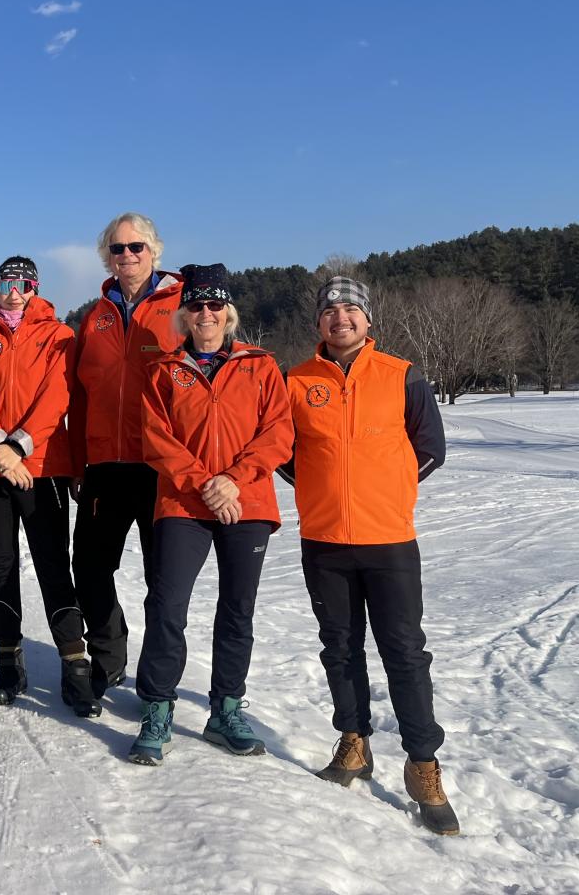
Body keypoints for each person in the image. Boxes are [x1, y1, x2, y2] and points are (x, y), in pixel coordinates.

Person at [280, 276, 457, 836]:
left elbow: (431, 448)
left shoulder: (402, 375)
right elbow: (281, 450)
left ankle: (423, 763)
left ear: (368, 320)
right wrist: (312, 491)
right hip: (325, 541)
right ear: (318, 324)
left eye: (351, 308)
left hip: (389, 541)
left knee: (405, 653)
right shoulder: (297, 380)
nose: (340, 317)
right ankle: (354, 743)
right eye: (330, 309)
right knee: (339, 647)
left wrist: (392, 493)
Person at [129, 264, 294, 764]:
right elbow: (156, 440)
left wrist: (233, 480)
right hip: (183, 501)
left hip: (248, 502)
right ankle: (158, 707)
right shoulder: (163, 370)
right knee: (167, 605)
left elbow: (279, 433)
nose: (206, 313)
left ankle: (225, 709)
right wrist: (205, 482)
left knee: (237, 609)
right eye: (197, 305)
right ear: (184, 314)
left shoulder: (260, 365)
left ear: (228, 313)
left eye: (214, 305)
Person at [0, 256, 97, 716]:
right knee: (0, 565)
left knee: (53, 563)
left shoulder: (59, 335)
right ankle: (9, 662)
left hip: (41, 466)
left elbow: (58, 395)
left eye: (22, 284)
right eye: (5, 284)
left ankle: (75, 665)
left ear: (35, 288)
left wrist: (19, 445)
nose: (13, 292)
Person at [68, 211, 183, 699]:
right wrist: (77, 463)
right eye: (118, 249)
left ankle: (157, 681)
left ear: (154, 250)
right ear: (106, 257)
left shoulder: (183, 306)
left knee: (164, 578)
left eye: (136, 247)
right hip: (105, 465)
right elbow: (77, 395)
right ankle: (109, 656)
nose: (127, 256)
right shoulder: (94, 317)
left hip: (162, 466)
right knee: (90, 567)